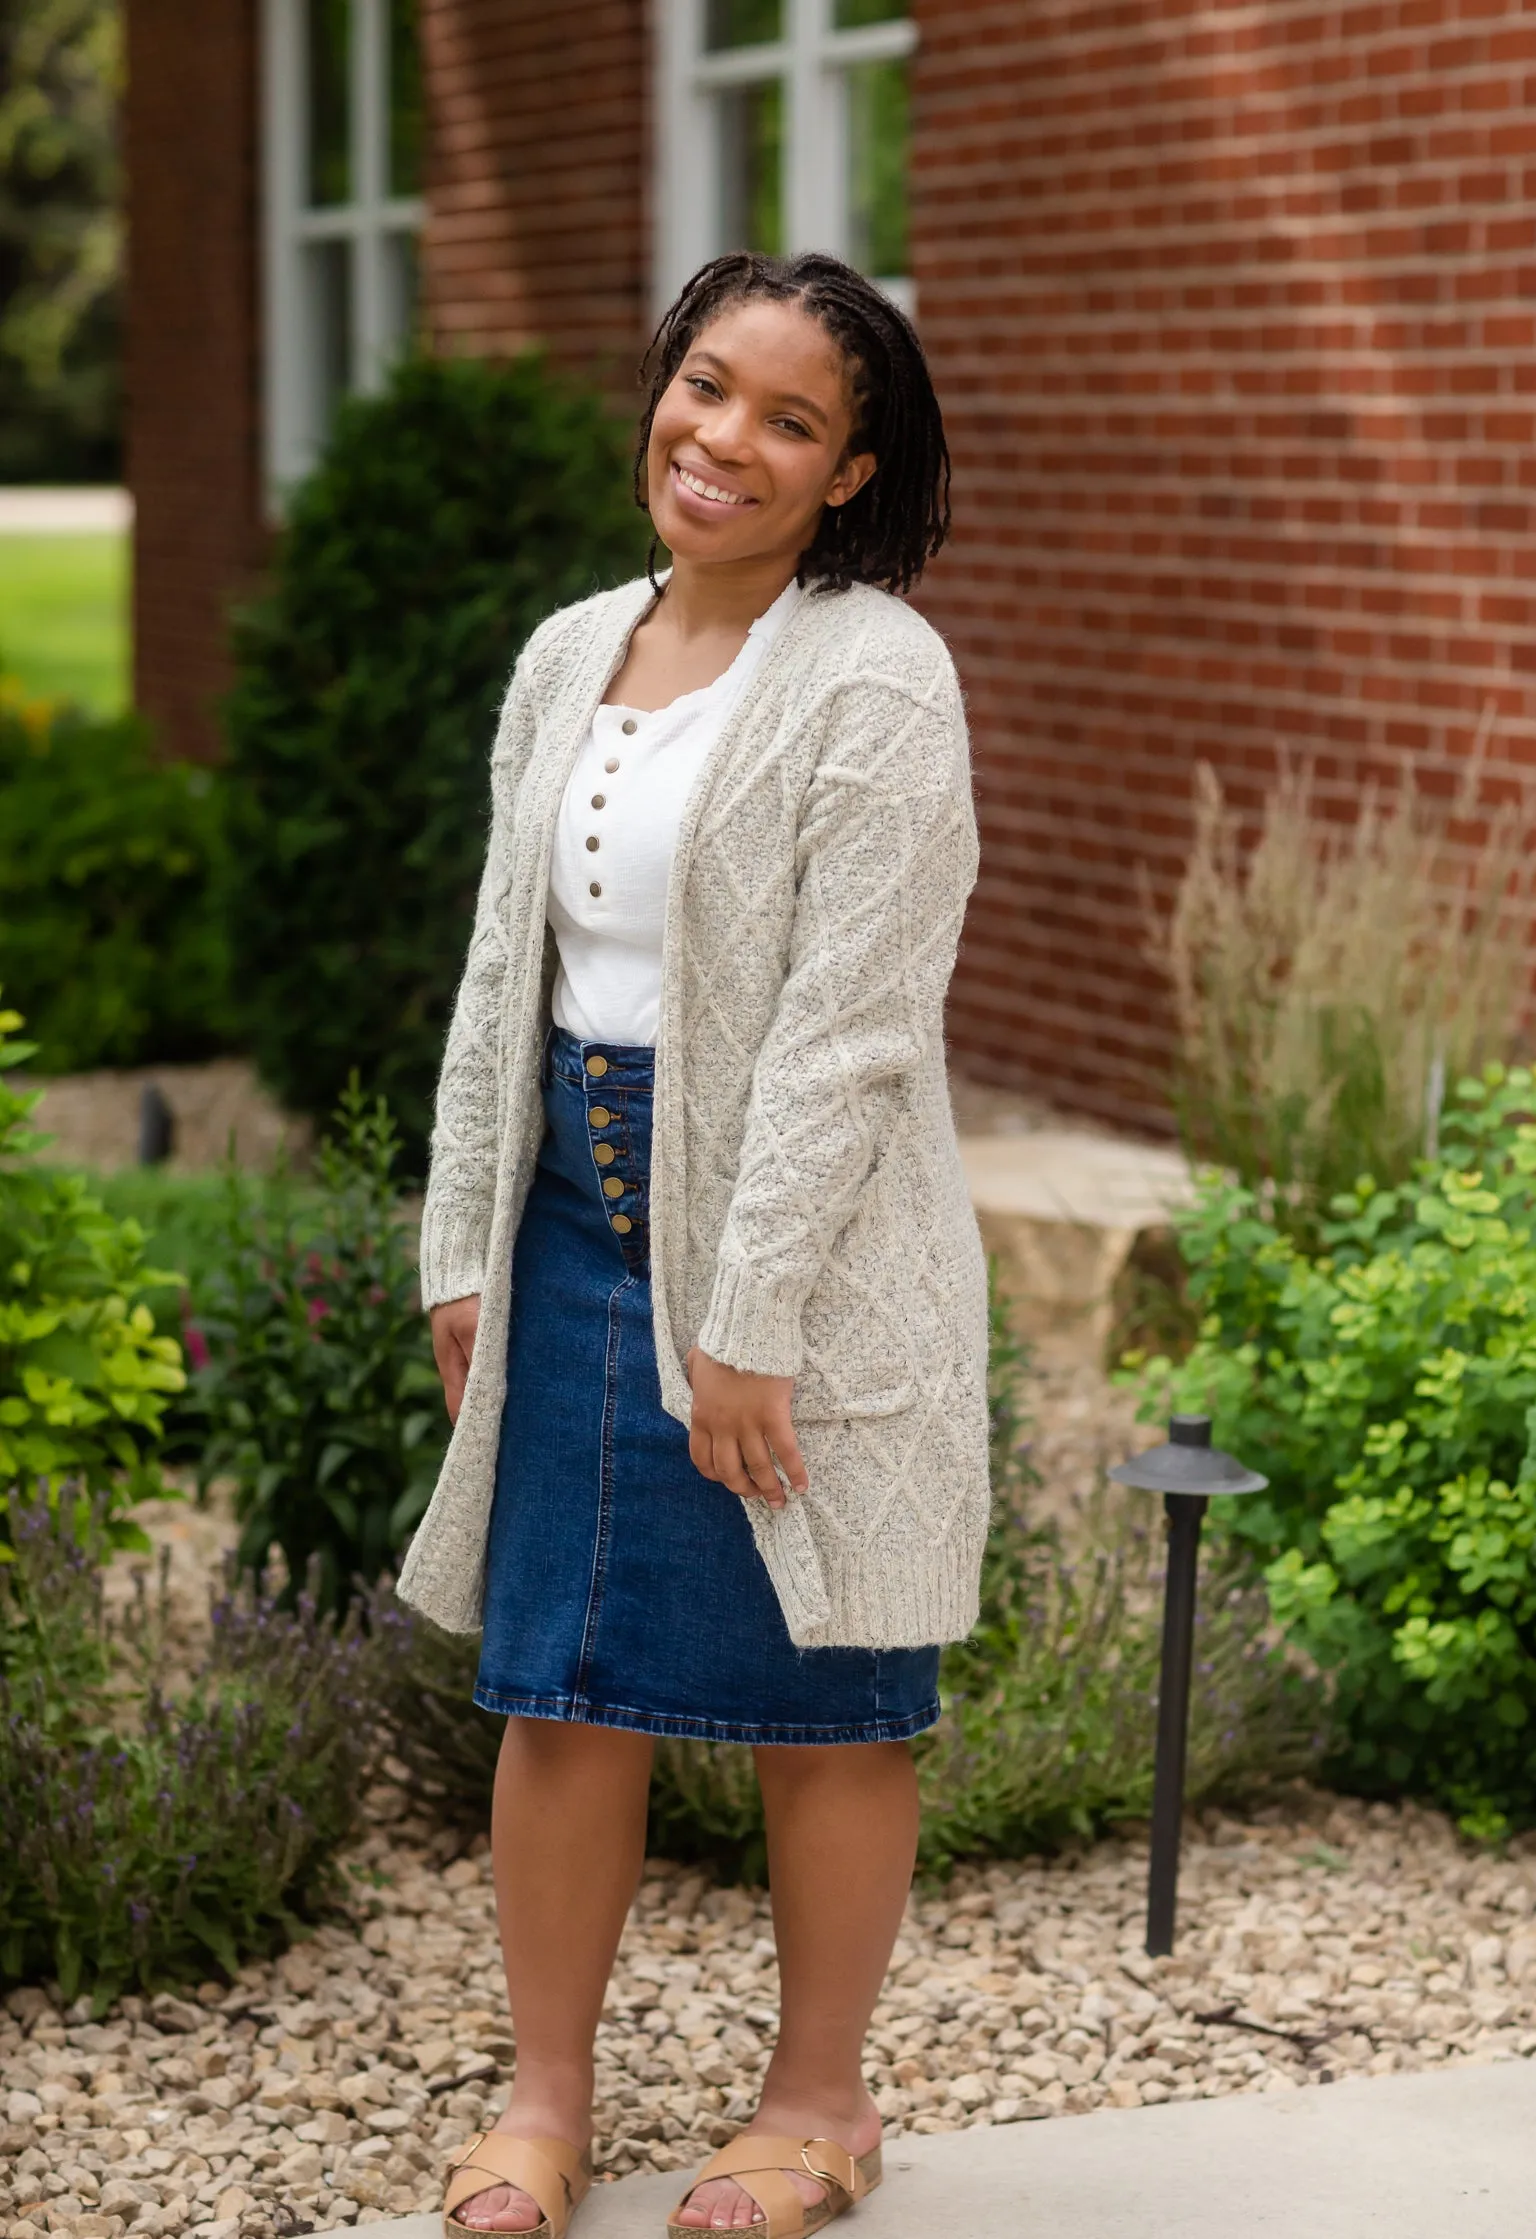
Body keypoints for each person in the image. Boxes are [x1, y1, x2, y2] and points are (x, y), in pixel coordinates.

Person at [399, 249, 989, 2239]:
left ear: (848, 469)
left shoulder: (875, 672)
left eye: (789, 418)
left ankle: (818, 2105)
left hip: (794, 1253)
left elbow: (847, 1031)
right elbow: (507, 971)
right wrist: (457, 1252)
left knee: (824, 1679)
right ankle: (545, 2103)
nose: (724, 438)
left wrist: (743, 1324)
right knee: (560, 1679)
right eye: (705, 386)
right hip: (570, 1209)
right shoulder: (571, 651)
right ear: (659, 387)